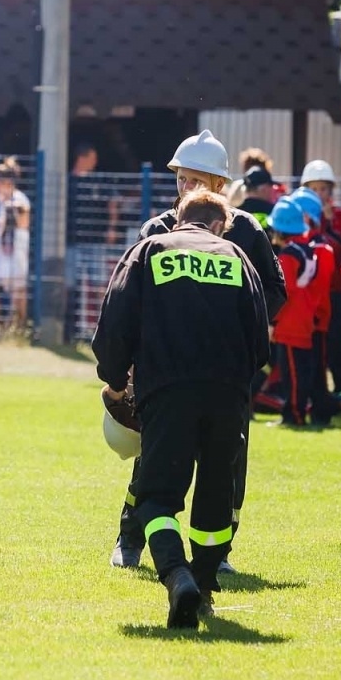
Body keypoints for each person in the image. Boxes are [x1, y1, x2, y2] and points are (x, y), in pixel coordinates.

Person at [92, 189, 271, 628]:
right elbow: (260, 341)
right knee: (214, 495)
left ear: (178, 220)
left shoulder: (150, 249)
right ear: (218, 225)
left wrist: (116, 381)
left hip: (167, 392)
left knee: (155, 498)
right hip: (228, 395)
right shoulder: (236, 257)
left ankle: (176, 575)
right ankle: (205, 586)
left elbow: (114, 320)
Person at [111, 130, 286, 570]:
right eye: (181, 179)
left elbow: (274, 295)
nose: (186, 189)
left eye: (195, 181)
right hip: (164, 371)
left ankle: (217, 554)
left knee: (225, 465)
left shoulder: (246, 230)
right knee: (153, 460)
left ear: (220, 185)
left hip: (224, 375)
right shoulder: (156, 229)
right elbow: (128, 300)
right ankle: (129, 539)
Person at [299, 160, 341, 397]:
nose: (319, 194)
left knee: (336, 338)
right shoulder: (300, 212)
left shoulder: (339, 215)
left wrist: (329, 225)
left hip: (332, 288)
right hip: (309, 290)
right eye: (315, 188)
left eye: (324, 189)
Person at [265, 198, 317, 427]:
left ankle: (293, 415)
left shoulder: (288, 255)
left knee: (292, 374)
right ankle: (294, 412)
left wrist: (272, 320)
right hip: (303, 318)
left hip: (290, 322)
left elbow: (284, 291)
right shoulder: (305, 249)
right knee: (299, 372)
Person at [0, 160, 31, 330]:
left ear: (6, 182)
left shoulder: (20, 199)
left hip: (16, 252)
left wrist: (11, 209)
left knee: (18, 292)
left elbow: (22, 221)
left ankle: (21, 328)